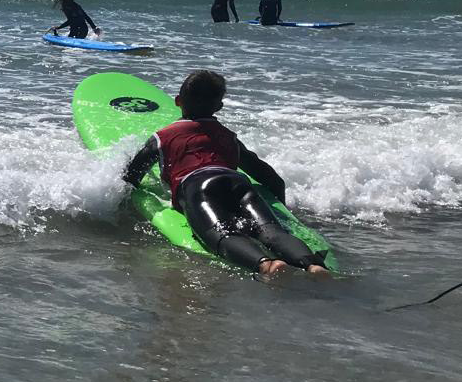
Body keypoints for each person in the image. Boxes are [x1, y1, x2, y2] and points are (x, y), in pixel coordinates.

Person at [121, 70, 329, 278]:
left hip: (198, 187)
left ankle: (266, 265)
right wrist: (282, 212)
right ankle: (312, 265)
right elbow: (272, 179)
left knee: (220, 233)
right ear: (219, 107)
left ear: (177, 101)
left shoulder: (162, 137)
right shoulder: (229, 138)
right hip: (237, 183)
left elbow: (131, 176)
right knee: (271, 231)